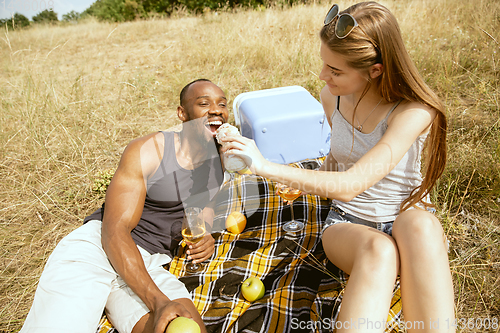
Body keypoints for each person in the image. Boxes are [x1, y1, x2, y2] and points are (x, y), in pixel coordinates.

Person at [220, 2, 455, 332]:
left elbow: (352, 182)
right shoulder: (333, 97)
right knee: (379, 250)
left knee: (422, 226)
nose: (322, 76)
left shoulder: (413, 112)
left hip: (405, 218)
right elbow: (339, 158)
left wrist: (264, 165)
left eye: (336, 70)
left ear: (375, 70)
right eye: (324, 64)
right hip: (349, 223)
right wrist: (310, 178)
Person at [20, 79, 229, 333]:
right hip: (97, 248)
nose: (216, 109)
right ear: (182, 113)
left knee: (184, 327)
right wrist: (157, 300)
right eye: (204, 103)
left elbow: (203, 204)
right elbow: (114, 231)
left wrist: (204, 231)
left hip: (149, 262)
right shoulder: (148, 151)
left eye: (222, 104)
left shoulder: (218, 159)